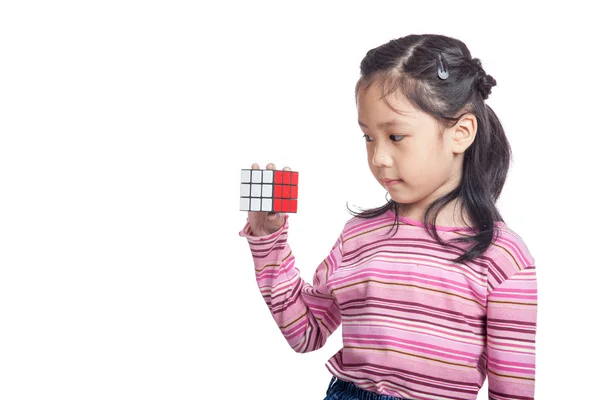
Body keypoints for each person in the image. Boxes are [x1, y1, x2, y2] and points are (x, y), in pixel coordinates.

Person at [239, 34, 537, 400]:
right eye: (368, 137)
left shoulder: (503, 257)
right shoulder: (358, 236)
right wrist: (268, 241)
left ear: (461, 133)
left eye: (395, 136)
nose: (378, 157)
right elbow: (306, 332)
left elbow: (513, 391)